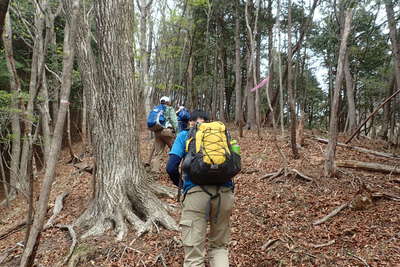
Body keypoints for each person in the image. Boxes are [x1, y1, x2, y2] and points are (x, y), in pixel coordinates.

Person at [166, 110, 235, 267]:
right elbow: (234, 163)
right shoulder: (222, 136)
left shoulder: (184, 135)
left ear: (190, 122)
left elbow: (171, 167)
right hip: (224, 194)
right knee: (219, 248)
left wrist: (182, 186)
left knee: (194, 256)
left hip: (195, 195)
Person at [148, 96, 178, 173]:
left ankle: (155, 171)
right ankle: (176, 169)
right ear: (168, 102)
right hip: (167, 132)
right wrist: (177, 132)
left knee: (158, 153)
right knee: (175, 151)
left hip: (157, 132)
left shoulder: (156, 109)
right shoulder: (169, 109)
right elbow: (174, 121)